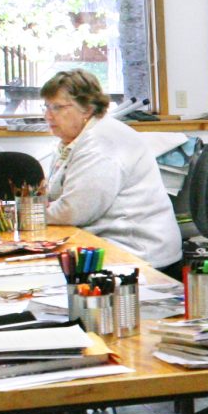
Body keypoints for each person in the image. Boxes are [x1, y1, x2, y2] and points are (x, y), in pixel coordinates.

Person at [39, 70, 182, 268]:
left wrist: (30, 214)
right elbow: (57, 196)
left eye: (57, 107)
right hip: (109, 242)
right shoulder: (78, 138)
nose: (48, 115)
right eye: (46, 107)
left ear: (87, 109)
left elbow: (74, 211)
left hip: (137, 253)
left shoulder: (101, 143)